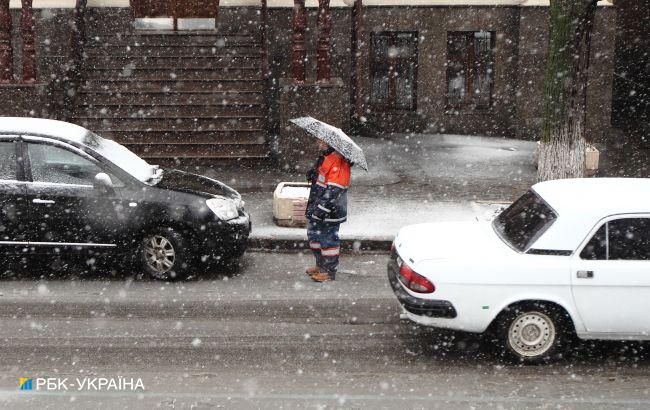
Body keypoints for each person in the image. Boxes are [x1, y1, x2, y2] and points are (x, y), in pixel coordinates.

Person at [305, 139, 352, 282]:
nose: (318, 143)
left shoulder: (339, 161)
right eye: (318, 141)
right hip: (318, 205)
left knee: (328, 240)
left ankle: (329, 271)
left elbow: (334, 190)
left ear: (330, 143)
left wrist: (322, 208)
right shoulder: (326, 157)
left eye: (322, 141)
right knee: (314, 236)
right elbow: (323, 180)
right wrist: (314, 174)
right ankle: (320, 265)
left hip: (329, 210)